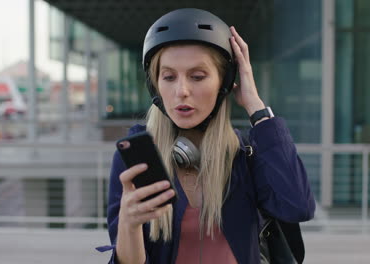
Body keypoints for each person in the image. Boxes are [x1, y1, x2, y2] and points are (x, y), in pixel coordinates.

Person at [103, 8, 315, 264]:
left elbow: (297, 206)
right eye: (169, 77)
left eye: (198, 76)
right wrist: (129, 224)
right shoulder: (137, 158)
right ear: (155, 85)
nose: (181, 91)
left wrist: (256, 107)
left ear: (223, 83)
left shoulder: (244, 154)